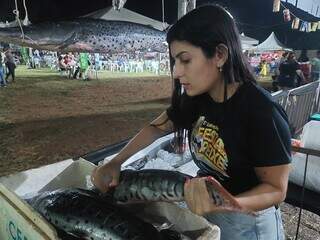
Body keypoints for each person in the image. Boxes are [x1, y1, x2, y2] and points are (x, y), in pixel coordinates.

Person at [91, 5, 291, 240]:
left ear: (220, 55)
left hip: (248, 221)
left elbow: (277, 190)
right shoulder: (197, 99)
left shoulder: (261, 111)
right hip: (210, 212)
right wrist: (116, 162)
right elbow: (157, 128)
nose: (176, 72)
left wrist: (230, 203)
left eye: (185, 60)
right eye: (175, 61)